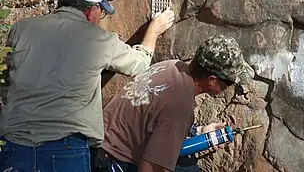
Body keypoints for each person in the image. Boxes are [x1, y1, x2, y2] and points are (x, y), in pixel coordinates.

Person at [0, 0, 175, 172]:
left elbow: (6, 82)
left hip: (13, 144)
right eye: (101, 13)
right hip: (66, 147)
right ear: (92, 10)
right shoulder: (99, 39)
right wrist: (154, 30)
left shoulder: (21, 30)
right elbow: (140, 65)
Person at [93, 34, 255, 172]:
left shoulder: (171, 66)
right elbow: (149, 168)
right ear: (212, 80)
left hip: (100, 147)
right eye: (229, 83)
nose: (228, 87)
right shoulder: (180, 107)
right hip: (113, 163)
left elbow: (154, 121)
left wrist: (198, 132)